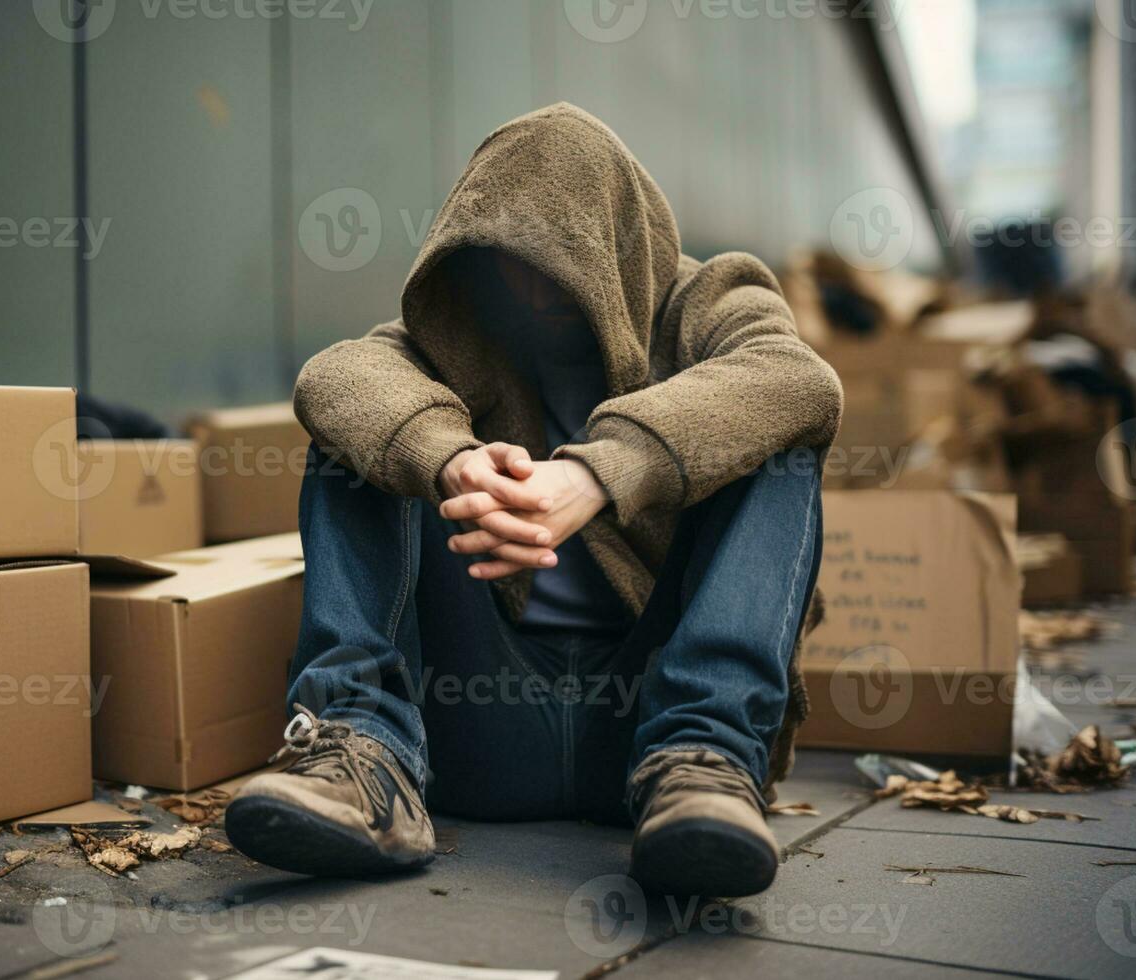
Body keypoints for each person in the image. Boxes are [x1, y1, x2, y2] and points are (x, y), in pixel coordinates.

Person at [224, 103, 842, 898]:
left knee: (778, 438)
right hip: (477, 727)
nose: (533, 289)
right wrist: (448, 461)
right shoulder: (458, 333)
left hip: (648, 727)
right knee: (365, 428)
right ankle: (362, 758)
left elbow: (799, 380)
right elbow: (334, 378)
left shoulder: (711, 300)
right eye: (507, 259)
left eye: (561, 262)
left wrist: (596, 476)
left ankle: (708, 758)